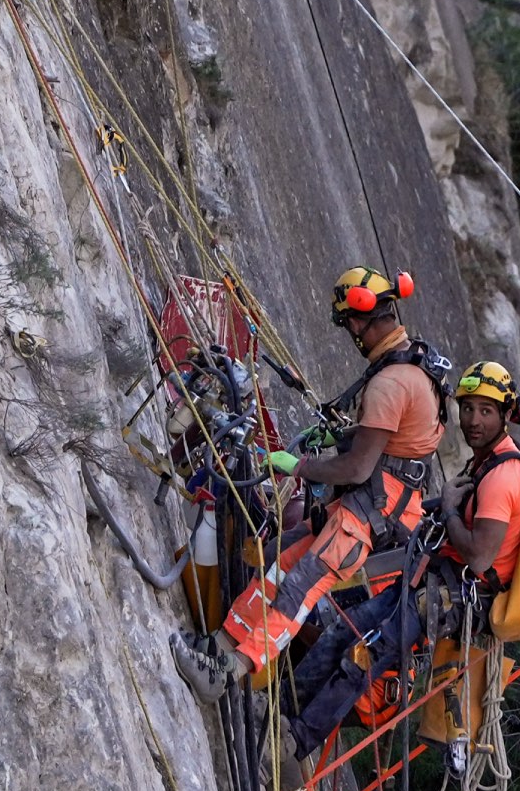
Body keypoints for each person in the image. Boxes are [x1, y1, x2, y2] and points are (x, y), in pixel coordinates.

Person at [171, 266, 449, 704]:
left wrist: (299, 465)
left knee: (298, 588)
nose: (351, 335)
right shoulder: (413, 364)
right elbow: (391, 446)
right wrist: (339, 439)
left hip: (368, 516)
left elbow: (358, 468)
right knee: (280, 566)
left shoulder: (391, 383)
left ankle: (229, 672)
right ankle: (220, 647)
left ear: (359, 321)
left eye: (349, 325)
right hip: (371, 509)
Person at [280, 360, 520, 760]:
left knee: (362, 658)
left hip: (448, 598)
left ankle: (295, 740)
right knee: (343, 634)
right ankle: (283, 706)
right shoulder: (488, 461)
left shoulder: (505, 476)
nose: (473, 420)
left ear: (506, 416)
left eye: (486, 411)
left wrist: (450, 510)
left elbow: (480, 555)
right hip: (430, 582)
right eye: (468, 408)